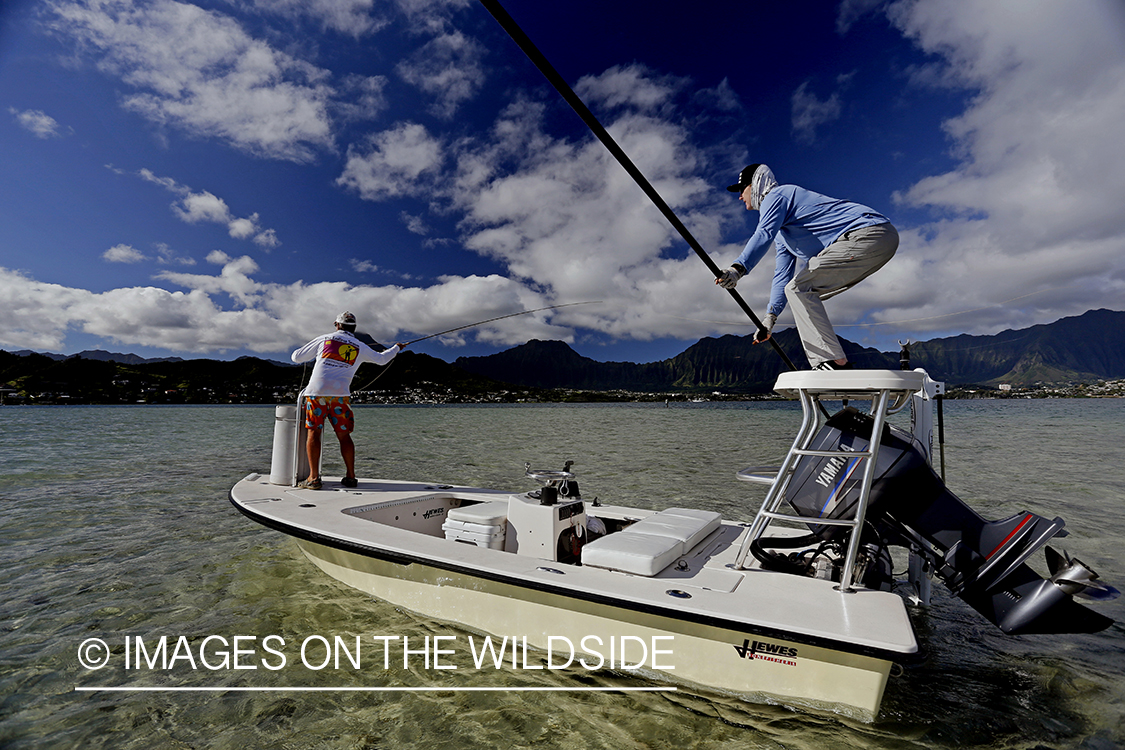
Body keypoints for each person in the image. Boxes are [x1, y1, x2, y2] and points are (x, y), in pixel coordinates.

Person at [716, 164, 898, 370]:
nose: (740, 196)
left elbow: (762, 234)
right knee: (800, 288)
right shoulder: (782, 233)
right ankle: (836, 363)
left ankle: (832, 362)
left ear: (756, 184)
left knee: (799, 288)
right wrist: (769, 319)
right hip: (878, 240)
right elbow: (782, 275)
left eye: (742, 189)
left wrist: (737, 269)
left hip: (867, 233)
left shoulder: (776, 196)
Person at [291, 311, 406, 489]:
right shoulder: (360, 346)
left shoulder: (325, 338)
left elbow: (297, 357)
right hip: (341, 396)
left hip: (317, 394)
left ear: (336, 324)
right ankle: (351, 477)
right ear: (354, 328)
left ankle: (313, 479)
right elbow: (382, 359)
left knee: (314, 432)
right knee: (344, 436)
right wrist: (397, 347)